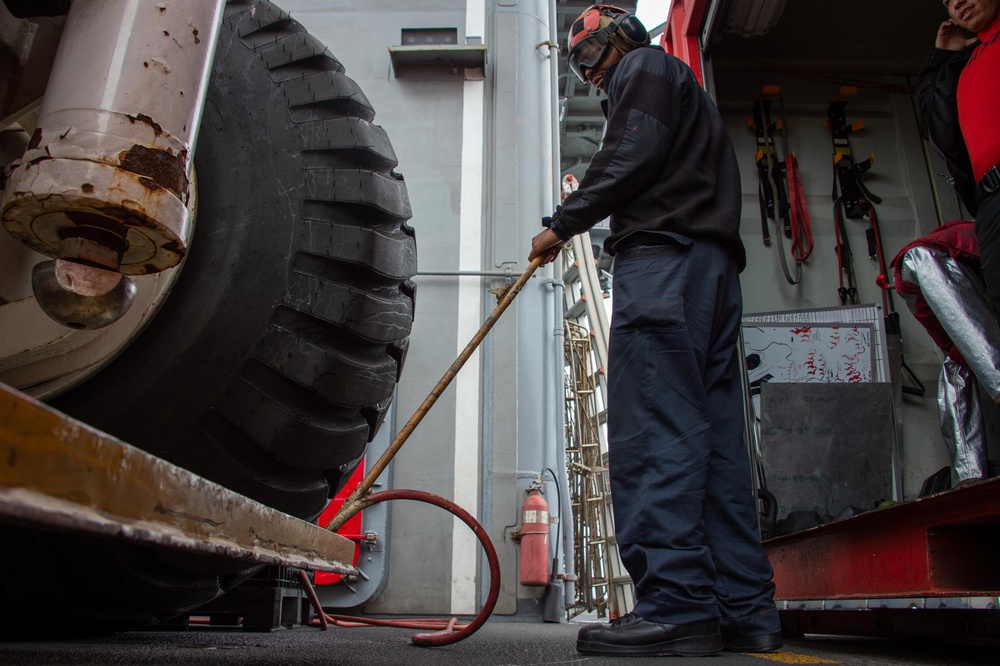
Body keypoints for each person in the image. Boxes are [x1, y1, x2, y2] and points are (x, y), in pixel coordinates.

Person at [528, 4, 780, 658]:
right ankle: (742, 607)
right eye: (578, 66)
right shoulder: (678, 86)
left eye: (589, 58)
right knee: (718, 446)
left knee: (654, 431)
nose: (588, 77)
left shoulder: (643, 68)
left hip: (663, 264)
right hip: (709, 271)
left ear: (620, 41)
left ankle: (676, 604)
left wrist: (565, 222)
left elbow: (628, 154)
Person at [892, 220, 999, 488]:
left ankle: (968, 474)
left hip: (918, 271)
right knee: (978, 350)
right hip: (927, 260)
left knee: (960, 362)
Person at [917, 0, 1000, 325]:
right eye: (947, 1)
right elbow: (933, 122)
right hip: (991, 203)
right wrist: (943, 58)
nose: (957, 3)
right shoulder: (963, 63)